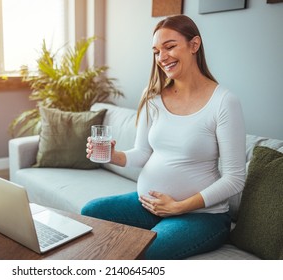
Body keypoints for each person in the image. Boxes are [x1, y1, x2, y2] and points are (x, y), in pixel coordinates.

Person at [82, 14, 246, 259]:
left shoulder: (224, 102)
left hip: (202, 215)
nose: (162, 57)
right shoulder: (153, 97)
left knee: (150, 253)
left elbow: (235, 178)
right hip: (151, 205)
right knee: (90, 211)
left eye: (170, 47)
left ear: (194, 45)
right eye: (157, 51)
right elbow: (142, 153)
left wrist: (179, 207)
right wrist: (113, 156)